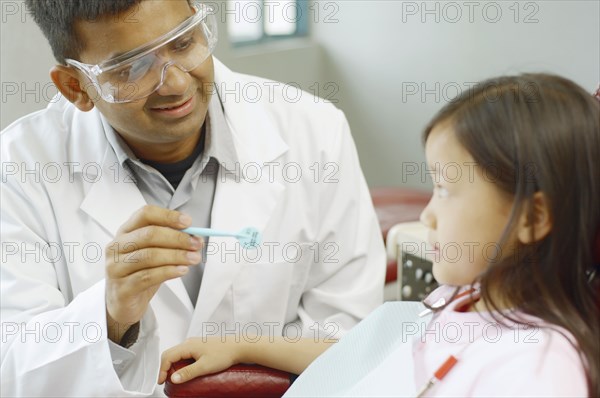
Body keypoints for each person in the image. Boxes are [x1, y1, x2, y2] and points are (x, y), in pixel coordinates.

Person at [0, 0, 386, 396]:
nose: (176, 84)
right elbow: (13, 373)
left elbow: (354, 339)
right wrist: (111, 317)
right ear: (76, 86)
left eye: (184, 43)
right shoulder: (18, 171)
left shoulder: (314, 131)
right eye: (132, 67)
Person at [160, 73, 600, 397]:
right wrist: (243, 344)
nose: (428, 214)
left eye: (446, 190)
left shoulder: (538, 369)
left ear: (531, 218)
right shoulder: (460, 301)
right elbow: (359, 357)